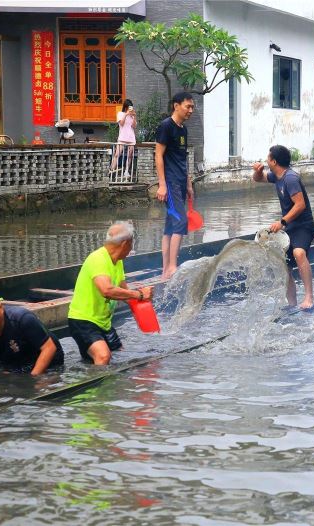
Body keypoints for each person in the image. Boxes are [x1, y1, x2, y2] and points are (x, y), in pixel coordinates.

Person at [67, 221, 153, 365]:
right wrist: (139, 294)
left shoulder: (117, 262)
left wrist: (145, 307)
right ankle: (100, 387)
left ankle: (93, 375)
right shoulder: (98, 259)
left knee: (120, 358)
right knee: (103, 356)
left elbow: (125, 293)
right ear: (125, 244)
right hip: (83, 321)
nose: (131, 249)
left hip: (103, 324)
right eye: (131, 244)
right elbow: (106, 290)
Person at [252, 145, 314, 309]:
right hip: (290, 227)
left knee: (298, 253)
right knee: (283, 262)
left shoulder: (290, 178)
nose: (266, 160)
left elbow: (300, 205)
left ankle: (309, 297)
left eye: (268, 158)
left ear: (274, 161)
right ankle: (292, 302)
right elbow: (258, 179)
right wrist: (258, 171)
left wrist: (282, 222)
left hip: (304, 226)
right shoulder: (277, 175)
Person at [0, 291, 64, 375]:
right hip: (14, 357)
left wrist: (34, 379)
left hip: (46, 356)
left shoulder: (22, 319)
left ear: (1, 307)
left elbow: (49, 348)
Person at [155, 91, 195, 279]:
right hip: (170, 184)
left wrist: (188, 184)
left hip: (180, 182)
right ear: (176, 106)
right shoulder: (166, 126)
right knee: (180, 221)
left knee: (171, 225)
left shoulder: (183, 129)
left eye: (192, 107)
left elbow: (183, 159)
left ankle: (165, 271)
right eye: (188, 106)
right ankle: (171, 267)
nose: (191, 110)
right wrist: (162, 185)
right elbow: (158, 155)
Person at [111, 99, 137, 178]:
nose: (129, 109)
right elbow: (121, 124)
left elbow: (134, 126)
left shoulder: (132, 116)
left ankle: (126, 171)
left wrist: (134, 116)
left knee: (130, 156)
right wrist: (126, 115)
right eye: (128, 107)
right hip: (122, 138)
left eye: (131, 107)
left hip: (131, 138)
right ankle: (112, 170)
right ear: (125, 107)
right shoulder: (120, 114)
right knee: (116, 154)